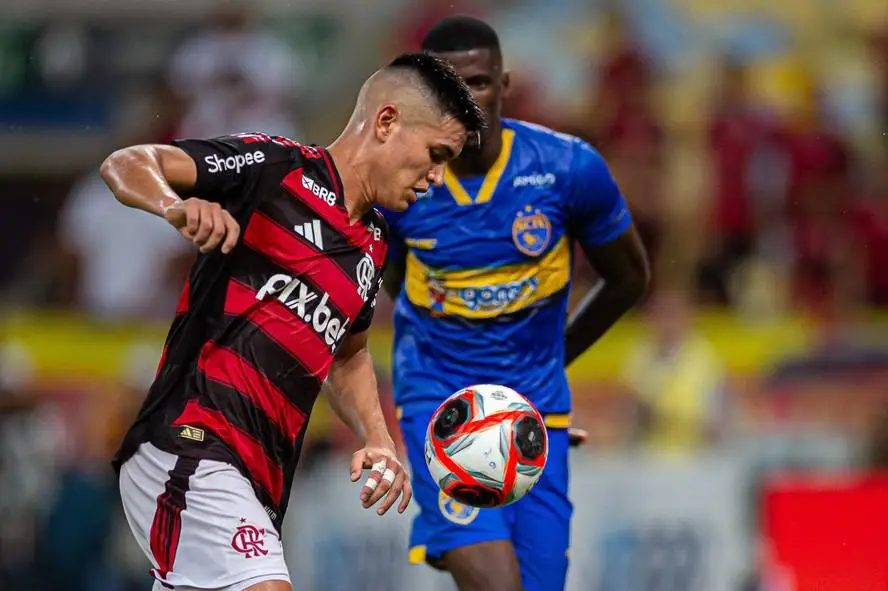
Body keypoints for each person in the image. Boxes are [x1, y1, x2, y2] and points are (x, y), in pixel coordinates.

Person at [101, 51, 484, 591]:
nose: (437, 178)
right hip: (191, 442)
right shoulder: (276, 169)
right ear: (387, 121)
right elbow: (128, 163)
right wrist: (175, 207)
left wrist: (377, 437)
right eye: (436, 154)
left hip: (261, 478)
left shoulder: (373, 247)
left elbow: (346, 354)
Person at [382, 17, 650, 591]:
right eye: (445, 87)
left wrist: (556, 359)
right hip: (441, 401)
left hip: (538, 407)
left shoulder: (567, 169)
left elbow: (629, 278)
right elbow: (392, 280)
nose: (464, 100)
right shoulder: (399, 181)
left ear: (504, 84)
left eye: (477, 83)